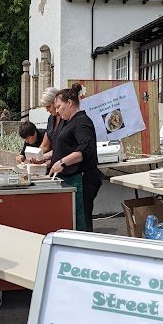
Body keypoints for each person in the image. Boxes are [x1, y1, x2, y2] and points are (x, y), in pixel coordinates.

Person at [48, 84, 100, 232]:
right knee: (72, 221)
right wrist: (44, 158)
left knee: (81, 221)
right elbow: (63, 148)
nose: (57, 111)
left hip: (82, 179)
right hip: (68, 178)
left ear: (70, 103)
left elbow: (86, 150)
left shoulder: (82, 121)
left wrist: (62, 162)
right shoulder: (67, 122)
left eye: (59, 106)